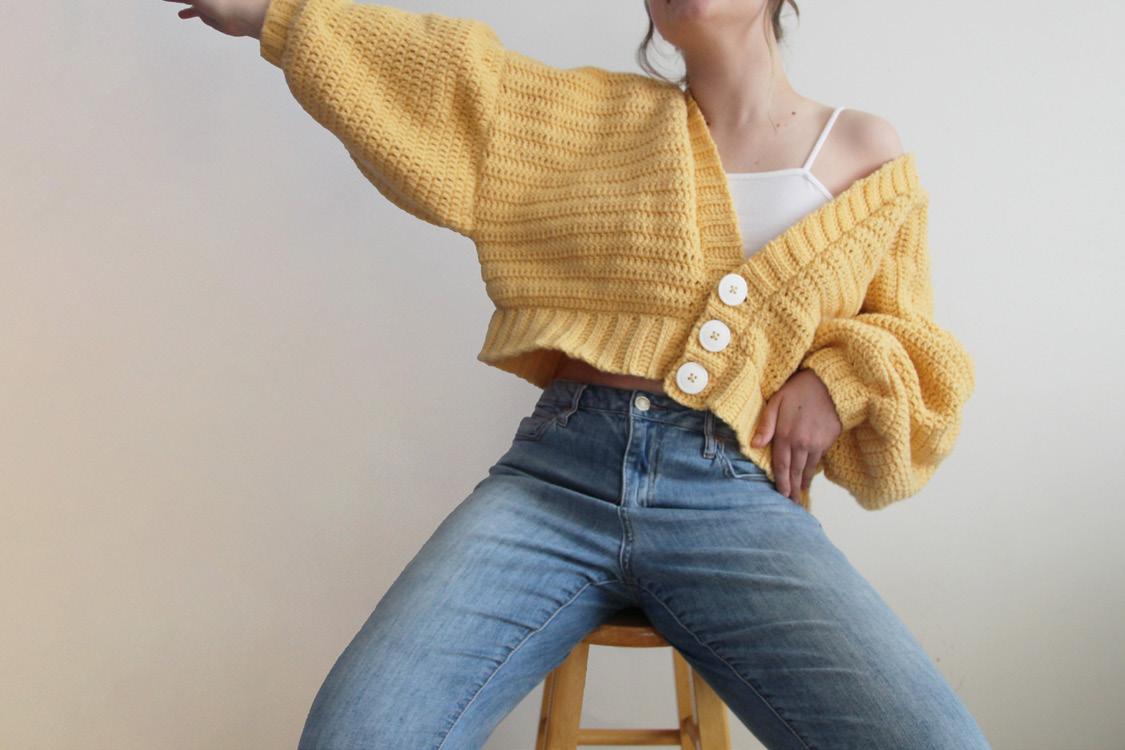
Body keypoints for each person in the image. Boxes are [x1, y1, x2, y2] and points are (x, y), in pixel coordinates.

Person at [169, 0, 989, 747]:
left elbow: (914, 342)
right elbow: (447, 76)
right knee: (354, 735)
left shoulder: (862, 152)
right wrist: (272, 12)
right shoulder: (588, 120)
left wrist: (839, 379)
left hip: (732, 499)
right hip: (554, 482)